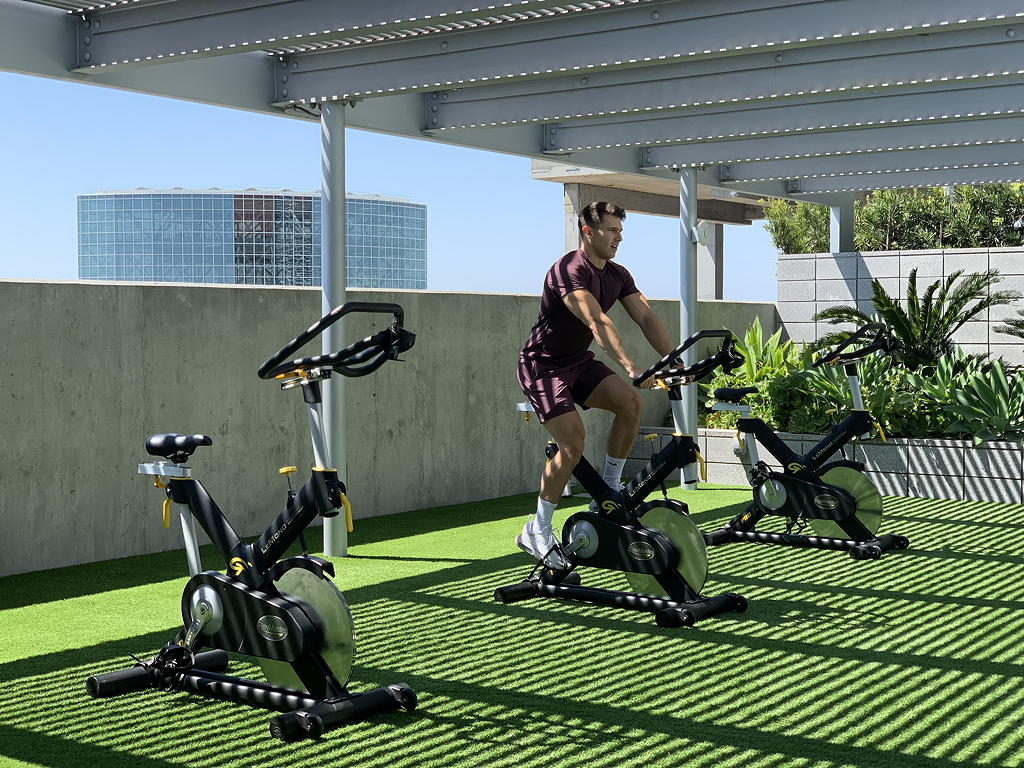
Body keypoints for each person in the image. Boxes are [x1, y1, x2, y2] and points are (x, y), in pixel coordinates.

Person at [516, 201, 674, 568]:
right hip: (543, 367)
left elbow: (647, 318)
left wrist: (674, 360)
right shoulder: (568, 270)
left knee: (629, 405)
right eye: (612, 230)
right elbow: (597, 322)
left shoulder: (618, 274)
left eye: (621, 230)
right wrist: (632, 366)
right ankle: (537, 529)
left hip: (578, 363)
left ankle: (606, 494)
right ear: (588, 232)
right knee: (571, 442)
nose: (619, 238)